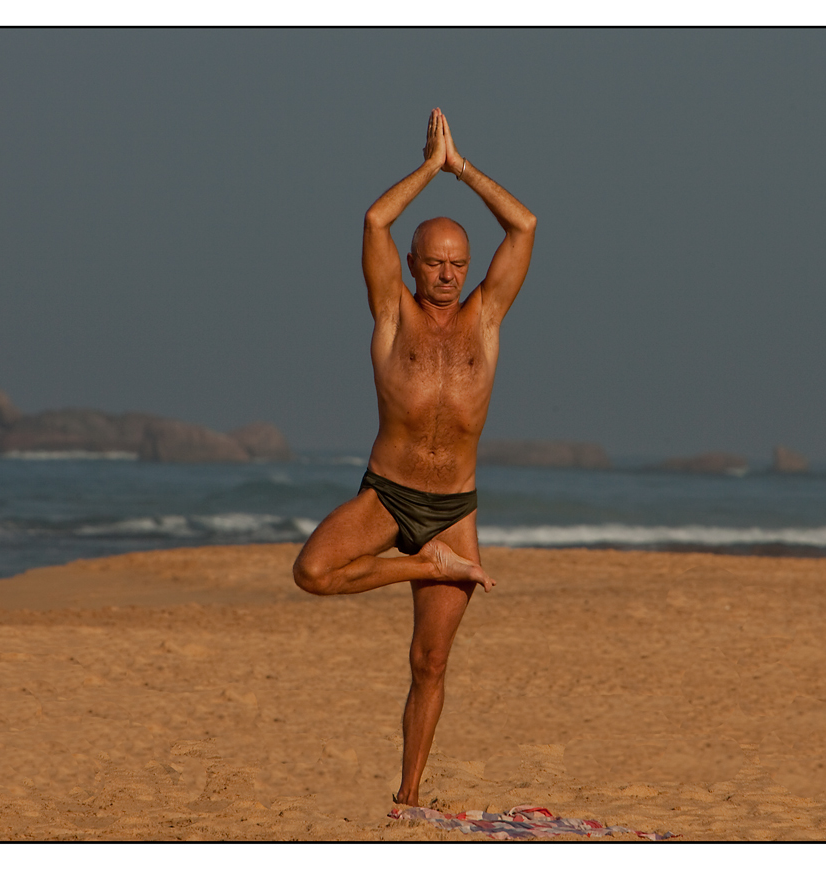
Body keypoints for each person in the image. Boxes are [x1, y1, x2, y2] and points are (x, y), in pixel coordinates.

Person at [293, 107, 536, 807]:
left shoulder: (484, 320)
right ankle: (418, 564)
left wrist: (462, 169)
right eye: (435, 262)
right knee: (311, 572)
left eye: (459, 263)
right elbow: (374, 220)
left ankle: (408, 799)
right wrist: (429, 169)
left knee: (430, 660)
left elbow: (524, 226)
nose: (450, 274)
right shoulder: (390, 314)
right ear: (412, 264)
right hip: (389, 496)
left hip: (453, 509)